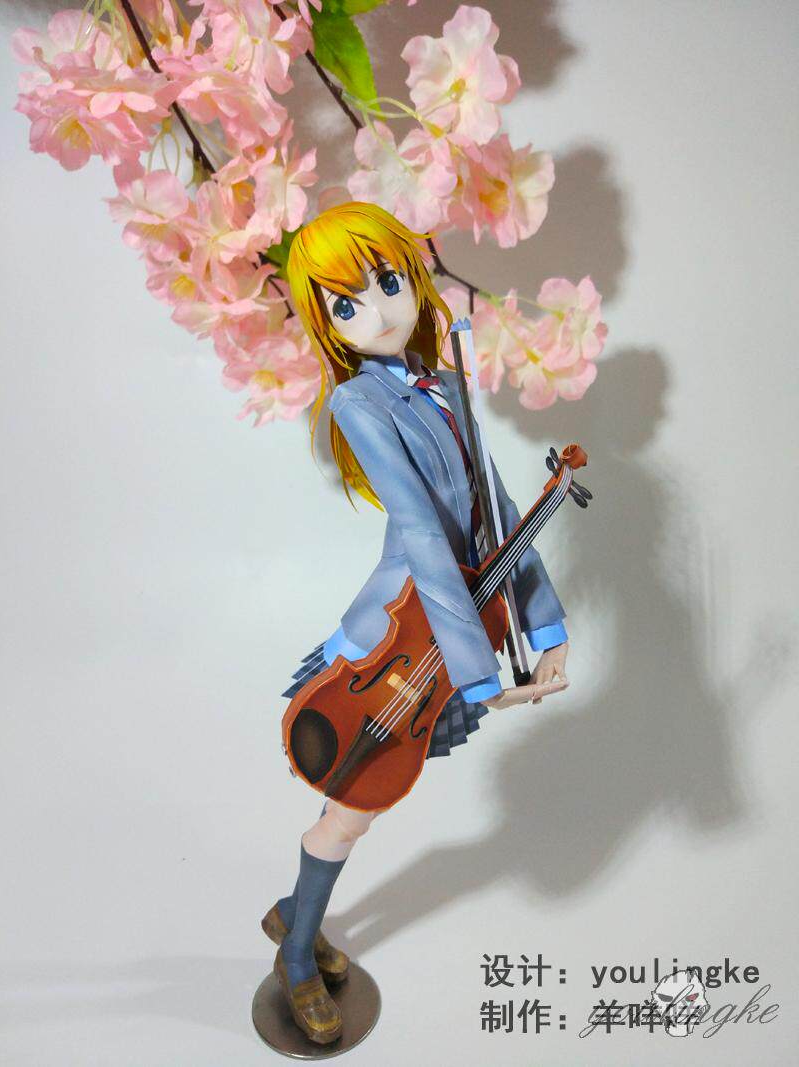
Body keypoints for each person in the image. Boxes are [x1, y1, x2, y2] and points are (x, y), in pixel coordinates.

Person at [262, 202, 570, 1044]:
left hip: (447, 634)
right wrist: (479, 673)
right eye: (346, 304)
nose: (378, 311)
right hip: (402, 638)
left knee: (360, 805)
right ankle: (297, 952)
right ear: (326, 324)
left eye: (388, 282)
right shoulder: (357, 403)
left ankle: (295, 911)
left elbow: (497, 511)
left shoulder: (450, 386)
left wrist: (545, 629)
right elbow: (426, 538)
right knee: (352, 807)